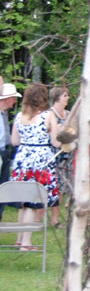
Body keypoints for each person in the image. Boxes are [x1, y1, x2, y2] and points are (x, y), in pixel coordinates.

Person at [11, 83, 63, 249]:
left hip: (22, 161)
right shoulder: (47, 116)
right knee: (32, 203)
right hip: (40, 161)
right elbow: (55, 142)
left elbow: (14, 141)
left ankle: (20, 239)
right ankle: (26, 243)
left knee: (23, 202)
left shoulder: (19, 116)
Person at [47, 86, 71, 229]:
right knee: (52, 187)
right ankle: (41, 217)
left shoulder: (68, 114)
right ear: (57, 98)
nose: (67, 98)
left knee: (61, 187)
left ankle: (55, 219)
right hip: (52, 154)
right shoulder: (49, 114)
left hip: (66, 154)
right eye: (65, 95)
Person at [0, 83, 21, 221]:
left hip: (4, 151)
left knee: (3, 187)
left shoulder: (4, 113)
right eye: (13, 98)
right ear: (7, 98)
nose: (14, 101)